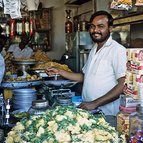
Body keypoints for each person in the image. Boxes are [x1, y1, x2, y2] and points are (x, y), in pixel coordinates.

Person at [46, 11, 127, 115]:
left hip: (107, 113)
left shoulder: (117, 50)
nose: (95, 30)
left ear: (110, 29)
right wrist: (60, 71)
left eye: (100, 26)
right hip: (90, 110)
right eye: (92, 26)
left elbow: (123, 84)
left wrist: (95, 103)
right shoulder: (94, 48)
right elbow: (84, 77)